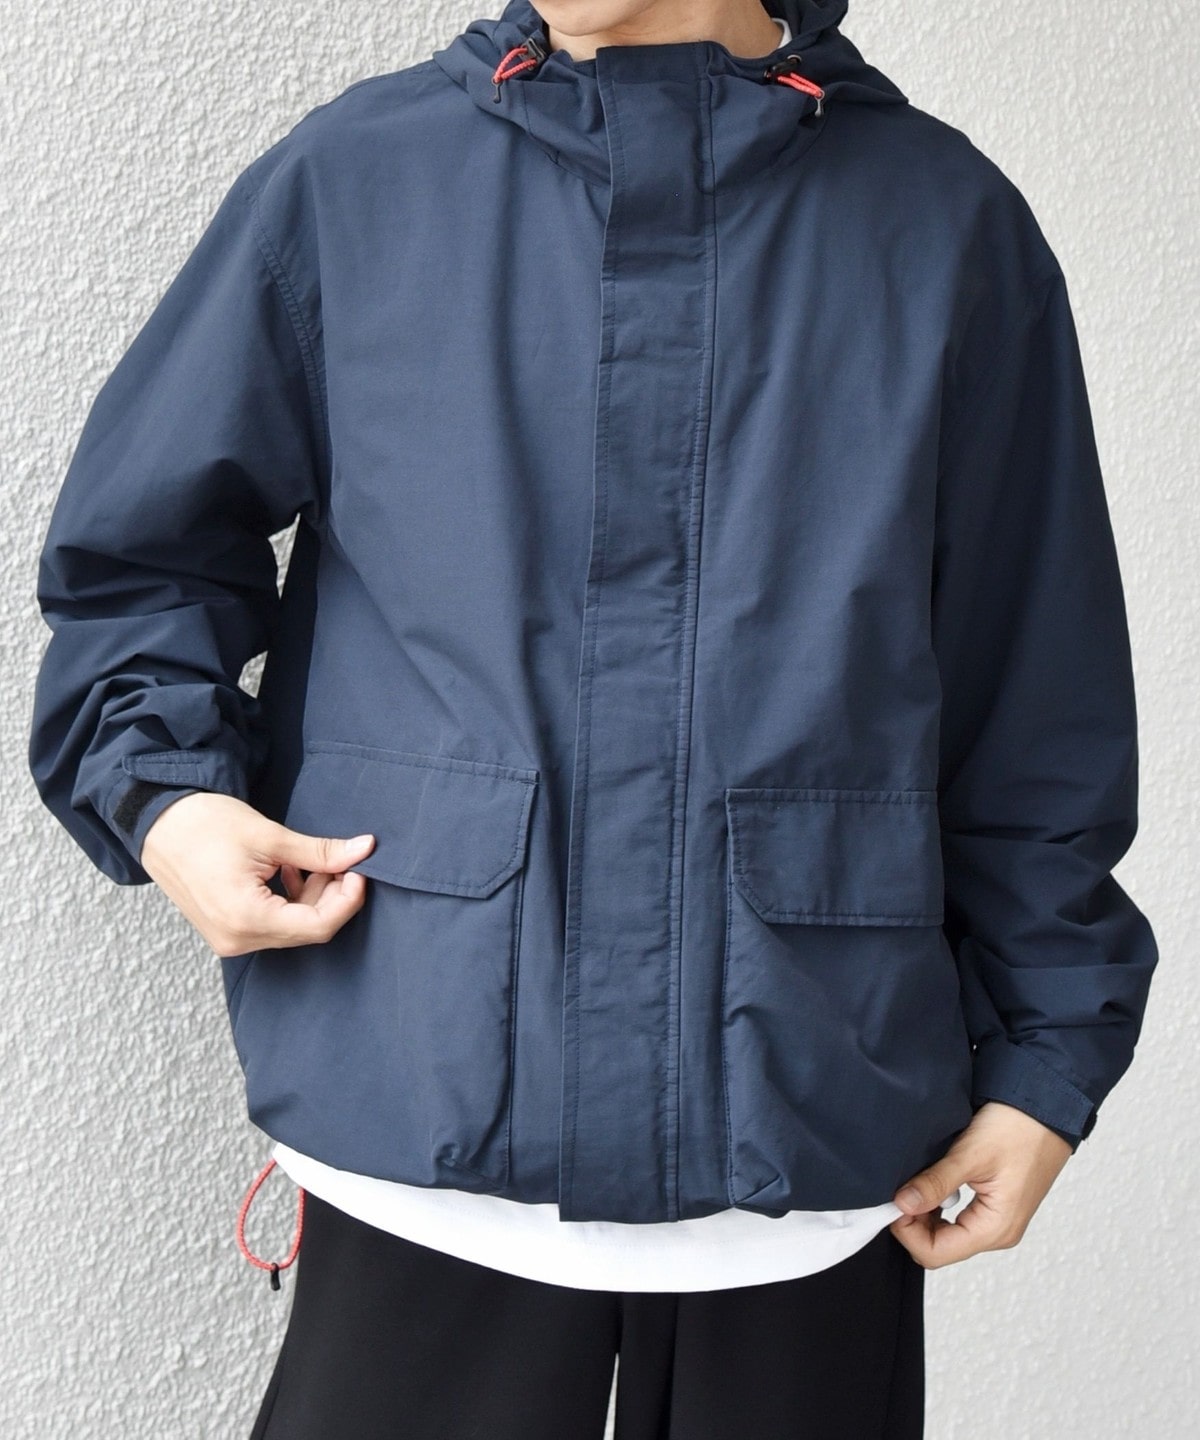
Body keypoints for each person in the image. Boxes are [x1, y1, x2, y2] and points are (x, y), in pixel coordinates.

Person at [27, 1, 1159, 1436]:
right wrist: (167, 796)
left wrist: (1051, 1063)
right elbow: (146, 559)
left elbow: (1032, 687)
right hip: (417, 1142)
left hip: (813, 1171)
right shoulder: (356, 180)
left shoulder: (944, 224)